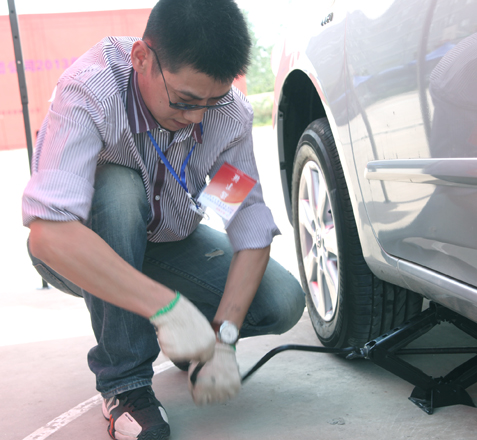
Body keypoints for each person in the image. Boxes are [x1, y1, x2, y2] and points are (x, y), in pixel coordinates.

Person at [22, 1, 305, 439]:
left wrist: (223, 336)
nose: (195, 118)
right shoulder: (91, 92)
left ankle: (189, 343)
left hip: (169, 245)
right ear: (141, 58)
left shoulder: (226, 116)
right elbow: (49, 234)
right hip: (87, 249)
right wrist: (167, 308)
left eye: (211, 101)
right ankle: (125, 384)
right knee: (117, 188)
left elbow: (247, 223)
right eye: (185, 101)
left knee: (281, 301)